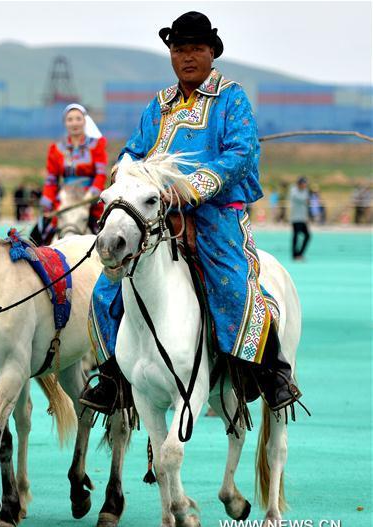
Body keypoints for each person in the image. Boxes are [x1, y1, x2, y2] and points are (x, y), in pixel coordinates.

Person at [81, 11, 302, 415]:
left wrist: (188, 188)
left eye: (196, 49)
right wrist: (129, 174)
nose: (187, 56)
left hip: (216, 214)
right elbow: (132, 149)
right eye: (179, 49)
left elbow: (240, 154)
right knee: (107, 287)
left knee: (235, 285)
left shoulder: (231, 98)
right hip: (157, 212)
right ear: (171, 55)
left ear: (212, 53)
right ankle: (113, 374)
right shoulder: (158, 106)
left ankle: (270, 371)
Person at [33, 103, 108, 243]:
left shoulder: (97, 145)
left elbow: (101, 173)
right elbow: (51, 180)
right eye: (70, 119)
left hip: (89, 197)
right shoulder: (56, 149)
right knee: (41, 229)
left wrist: (92, 193)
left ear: (85, 121)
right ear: (65, 123)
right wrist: (47, 200)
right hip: (65, 197)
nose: (74, 123)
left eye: (78, 119)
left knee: (104, 230)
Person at [289, 177, 311, 260]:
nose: (305, 185)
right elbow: (302, 199)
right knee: (296, 236)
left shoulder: (305, 191)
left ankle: (299, 253)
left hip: (303, 217)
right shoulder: (294, 191)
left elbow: (307, 203)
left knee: (307, 236)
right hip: (295, 218)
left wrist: (307, 217)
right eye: (304, 183)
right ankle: (295, 254)